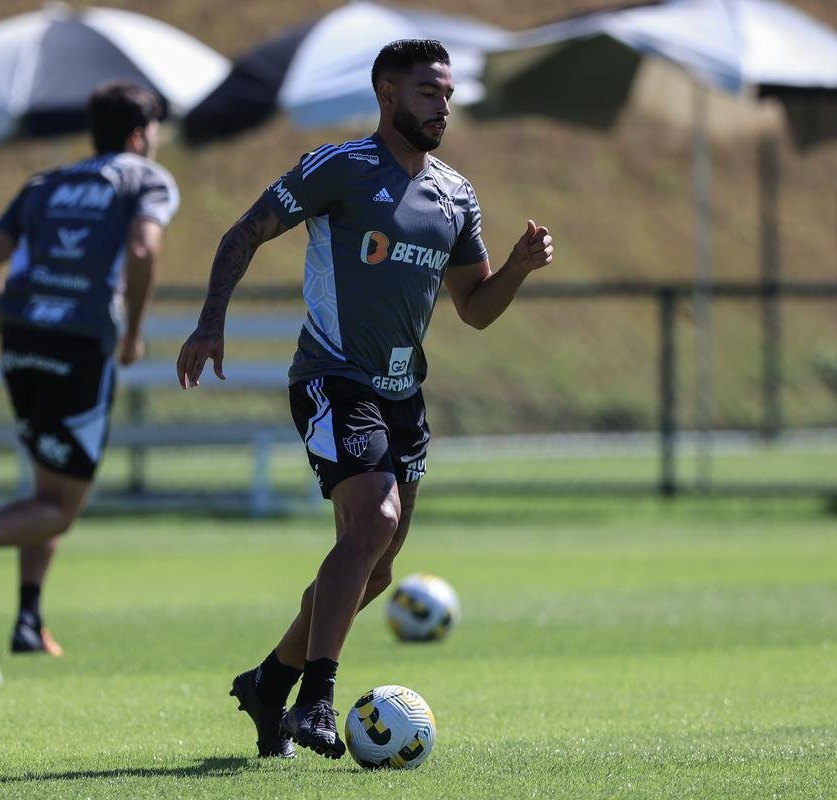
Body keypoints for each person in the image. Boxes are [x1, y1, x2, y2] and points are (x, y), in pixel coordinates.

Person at [176, 39, 553, 760]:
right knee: (373, 519)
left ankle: (269, 681)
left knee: (375, 566)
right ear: (387, 94)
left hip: (404, 394)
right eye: (427, 93)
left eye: (447, 95)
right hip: (332, 376)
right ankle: (315, 700)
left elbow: (475, 308)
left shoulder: (456, 194)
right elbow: (244, 231)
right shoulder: (340, 167)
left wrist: (516, 267)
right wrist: (210, 321)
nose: (442, 107)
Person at [0, 80, 179, 656]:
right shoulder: (144, 178)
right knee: (58, 511)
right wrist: (132, 335)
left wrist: (6, 329)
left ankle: (28, 620)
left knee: (45, 488)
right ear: (139, 136)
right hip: (80, 345)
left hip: (23, 342)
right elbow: (142, 250)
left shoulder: (44, 184)